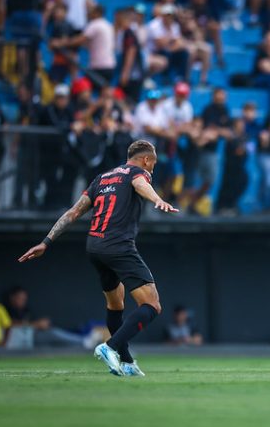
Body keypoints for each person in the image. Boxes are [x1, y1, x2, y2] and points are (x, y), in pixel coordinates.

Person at [18, 140, 179, 377]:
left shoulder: (102, 178)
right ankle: (109, 346)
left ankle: (126, 362)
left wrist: (46, 241)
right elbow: (140, 184)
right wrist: (156, 199)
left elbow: (73, 212)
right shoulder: (138, 173)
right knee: (152, 305)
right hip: (119, 246)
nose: (152, 168)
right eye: (153, 163)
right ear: (146, 159)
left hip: (94, 246)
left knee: (116, 305)